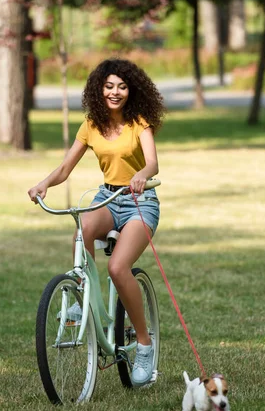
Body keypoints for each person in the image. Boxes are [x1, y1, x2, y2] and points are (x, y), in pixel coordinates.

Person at [28, 58, 165, 387]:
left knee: (118, 268)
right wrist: (44, 183)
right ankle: (81, 299)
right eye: (109, 86)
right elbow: (65, 169)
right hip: (107, 198)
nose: (115, 92)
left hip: (139, 203)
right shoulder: (91, 124)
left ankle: (144, 344)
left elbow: (153, 164)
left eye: (122, 86)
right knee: (83, 229)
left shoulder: (139, 121)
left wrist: (142, 176)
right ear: (98, 90)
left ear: (131, 90)